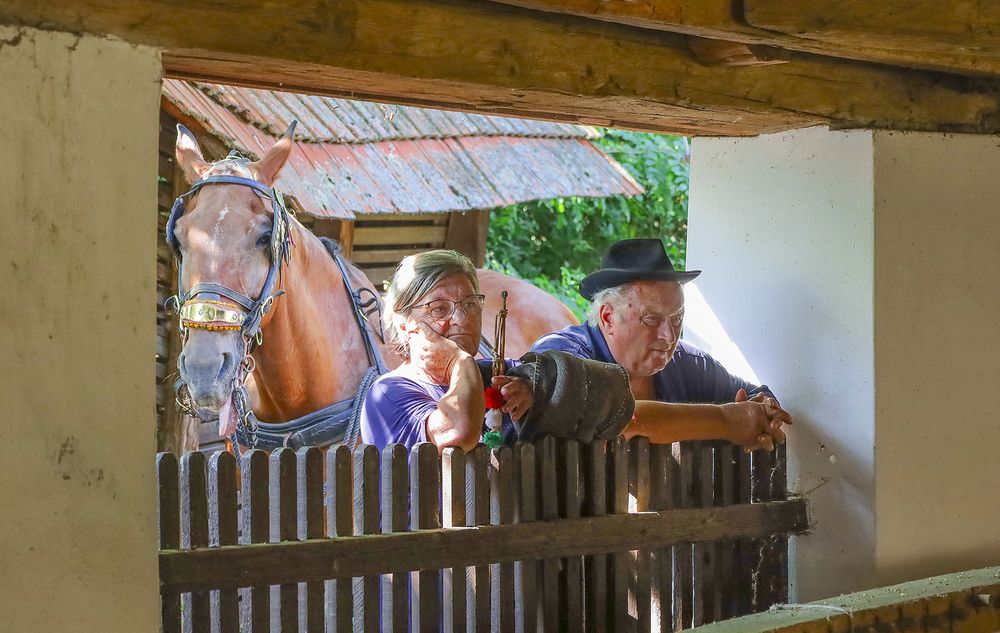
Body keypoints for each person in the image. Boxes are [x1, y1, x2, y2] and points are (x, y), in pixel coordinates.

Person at [360, 249, 789, 452]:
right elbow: (459, 431)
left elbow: (549, 386)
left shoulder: (506, 371)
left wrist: (535, 395)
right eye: (438, 309)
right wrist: (458, 361)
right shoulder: (389, 395)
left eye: (470, 306)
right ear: (402, 323)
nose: (458, 320)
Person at [531, 238, 790, 449]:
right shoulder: (562, 355)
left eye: (677, 319)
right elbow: (618, 419)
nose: (669, 336)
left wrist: (763, 412)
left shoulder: (688, 364)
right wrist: (725, 420)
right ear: (608, 317)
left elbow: (754, 394)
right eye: (651, 319)